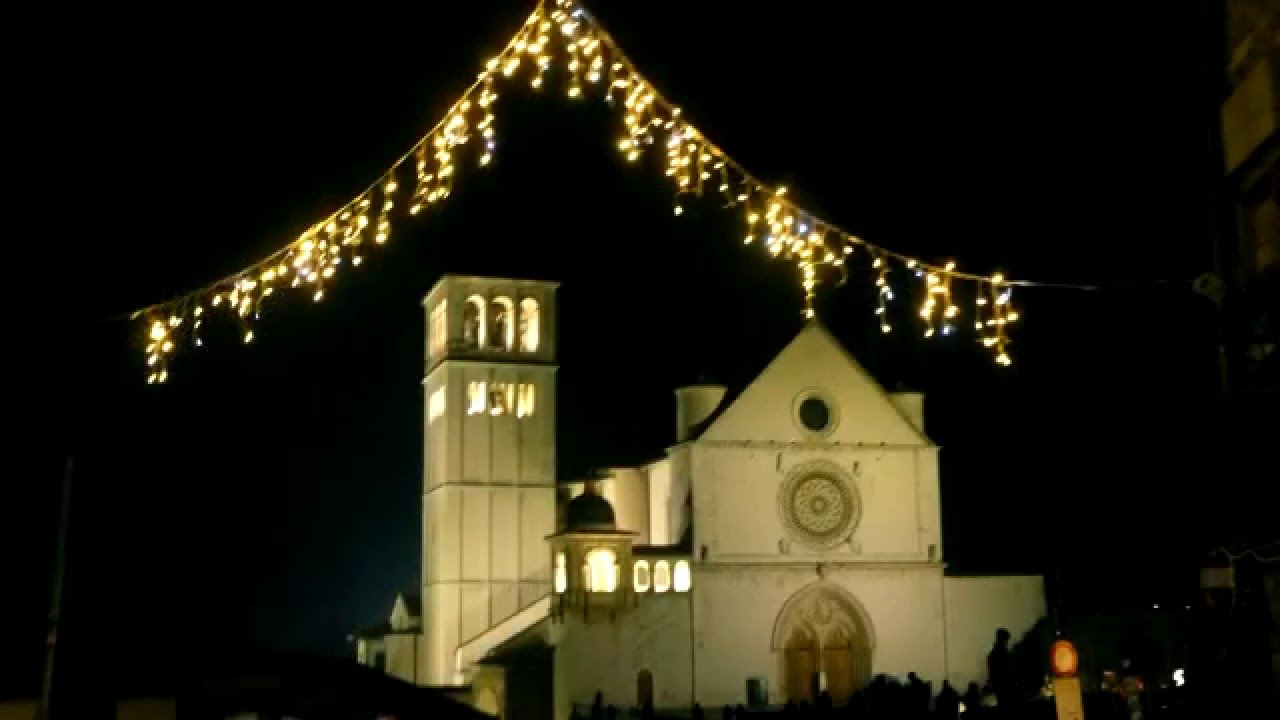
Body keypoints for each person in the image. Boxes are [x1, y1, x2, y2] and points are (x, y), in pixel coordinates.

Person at [986, 628, 1017, 709]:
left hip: (998, 685)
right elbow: (1009, 670)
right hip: (1006, 685)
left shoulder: (992, 654)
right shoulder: (1004, 654)